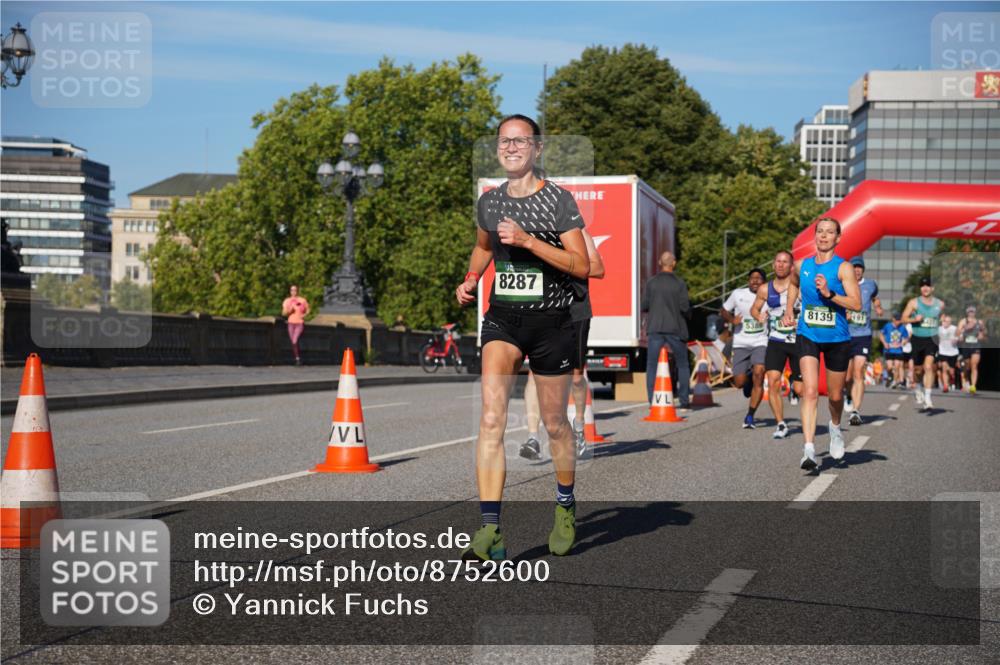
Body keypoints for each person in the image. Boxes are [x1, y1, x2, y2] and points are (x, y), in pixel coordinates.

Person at [455, 114, 590, 561]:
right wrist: (473, 277)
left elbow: (583, 264)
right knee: (491, 421)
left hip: (553, 323)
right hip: (503, 321)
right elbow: (483, 246)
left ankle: (565, 505)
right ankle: (490, 530)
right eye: (504, 141)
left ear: (537, 149)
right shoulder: (489, 203)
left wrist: (531, 242)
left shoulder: (558, 201)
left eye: (520, 141)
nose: (511, 147)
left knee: (554, 424)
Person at [783, 218, 861, 470]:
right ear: (814, 236)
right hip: (808, 334)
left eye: (830, 232)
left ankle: (835, 427)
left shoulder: (844, 268)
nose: (824, 236)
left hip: (837, 338)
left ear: (838, 238)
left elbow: (856, 304)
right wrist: (788, 310)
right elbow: (793, 285)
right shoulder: (801, 265)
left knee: (836, 395)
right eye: (820, 232)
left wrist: (830, 294)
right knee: (810, 390)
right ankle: (808, 449)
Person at [521, 229, 605, 461]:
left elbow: (598, 270)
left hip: (575, 311)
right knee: (533, 375)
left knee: (576, 377)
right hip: (543, 310)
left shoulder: (581, 235)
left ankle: (579, 427)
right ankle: (533, 438)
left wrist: (564, 260)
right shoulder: (535, 236)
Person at [750, 250, 802, 439]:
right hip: (776, 341)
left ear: (791, 266)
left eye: (785, 262)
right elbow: (754, 309)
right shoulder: (765, 289)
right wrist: (759, 316)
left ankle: (794, 387)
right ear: (773, 265)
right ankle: (781, 423)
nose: (780, 265)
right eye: (777, 262)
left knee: (800, 389)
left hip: (798, 341)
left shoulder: (799, 287)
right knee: (772, 381)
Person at [642, 251, 692, 411]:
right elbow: (685, 307)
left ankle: (653, 401)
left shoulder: (651, 283)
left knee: (651, 365)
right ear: (674, 263)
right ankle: (684, 401)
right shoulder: (679, 283)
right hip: (675, 328)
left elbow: (644, 306)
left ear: (659, 263)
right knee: (683, 364)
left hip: (655, 328)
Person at [722, 269, 769, 429]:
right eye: (752, 278)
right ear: (748, 280)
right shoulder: (737, 294)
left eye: (759, 278)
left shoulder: (769, 295)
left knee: (760, 372)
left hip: (760, 341)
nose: (755, 281)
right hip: (741, 343)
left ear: (764, 281)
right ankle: (747, 379)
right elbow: (724, 310)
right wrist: (732, 319)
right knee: (739, 383)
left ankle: (750, 415)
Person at [844, 256, 883, 425]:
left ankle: (856, 410)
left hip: (863, 334)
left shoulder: (870, 285)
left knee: (858, 371)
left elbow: (875, 297)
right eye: (854, 267)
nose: (857, 270)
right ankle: (847, 394)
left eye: (860, 268)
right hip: (845, 334)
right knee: (846, 376)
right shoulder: (843, 284)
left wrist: (878, 306)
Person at [902, 277, 944, 411]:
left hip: (932, 338)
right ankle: (919, 386)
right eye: (923, 286)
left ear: (933, 288)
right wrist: (914, 319)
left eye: (928, 285)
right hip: (917, 338)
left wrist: (941, 322)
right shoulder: (914, 303)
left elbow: (943, 318)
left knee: (929, 366)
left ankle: (928, 398)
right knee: (918, 370)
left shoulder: (940, 304)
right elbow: (903, 319)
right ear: (920, 288)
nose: (925, 288)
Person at [957, 305, 985, 394]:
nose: (971, 313)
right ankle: (967, 382)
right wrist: (965, 328)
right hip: (966, 346)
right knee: (967, 366)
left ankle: (973, 386)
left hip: (976, 346)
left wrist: (982, 336)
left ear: (975, 312)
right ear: (967, 312)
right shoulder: (963, 321)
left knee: (974, 366)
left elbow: (984, 333)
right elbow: (957, 333)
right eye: (969, 311)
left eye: (972, 311)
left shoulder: (979, 322)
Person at [281, 285, 310, 365]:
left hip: (299, 323)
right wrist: (290, 309)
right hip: (291, 322)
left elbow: (308, 310)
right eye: (292, 290)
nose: (293, 292)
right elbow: (283, 313)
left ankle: (298, 358)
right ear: (290, 291)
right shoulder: (287, 301)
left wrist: (303, 315)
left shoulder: (302, 300)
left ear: (298, 291)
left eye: (295, 290)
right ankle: (297, 358)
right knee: (293, 342)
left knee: (295, 340)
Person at [937, 313, 960, 392]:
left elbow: (960, 337)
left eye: (948, 321)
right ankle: (945, 386)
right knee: (944, 368)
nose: (946, 323)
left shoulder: (954, 328)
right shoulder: (939, 329)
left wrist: (956, 339)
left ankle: (952, 380)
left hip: (953, 352)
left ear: (950, 322)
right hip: (943, 351)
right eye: (944, 321)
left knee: (951, 371)